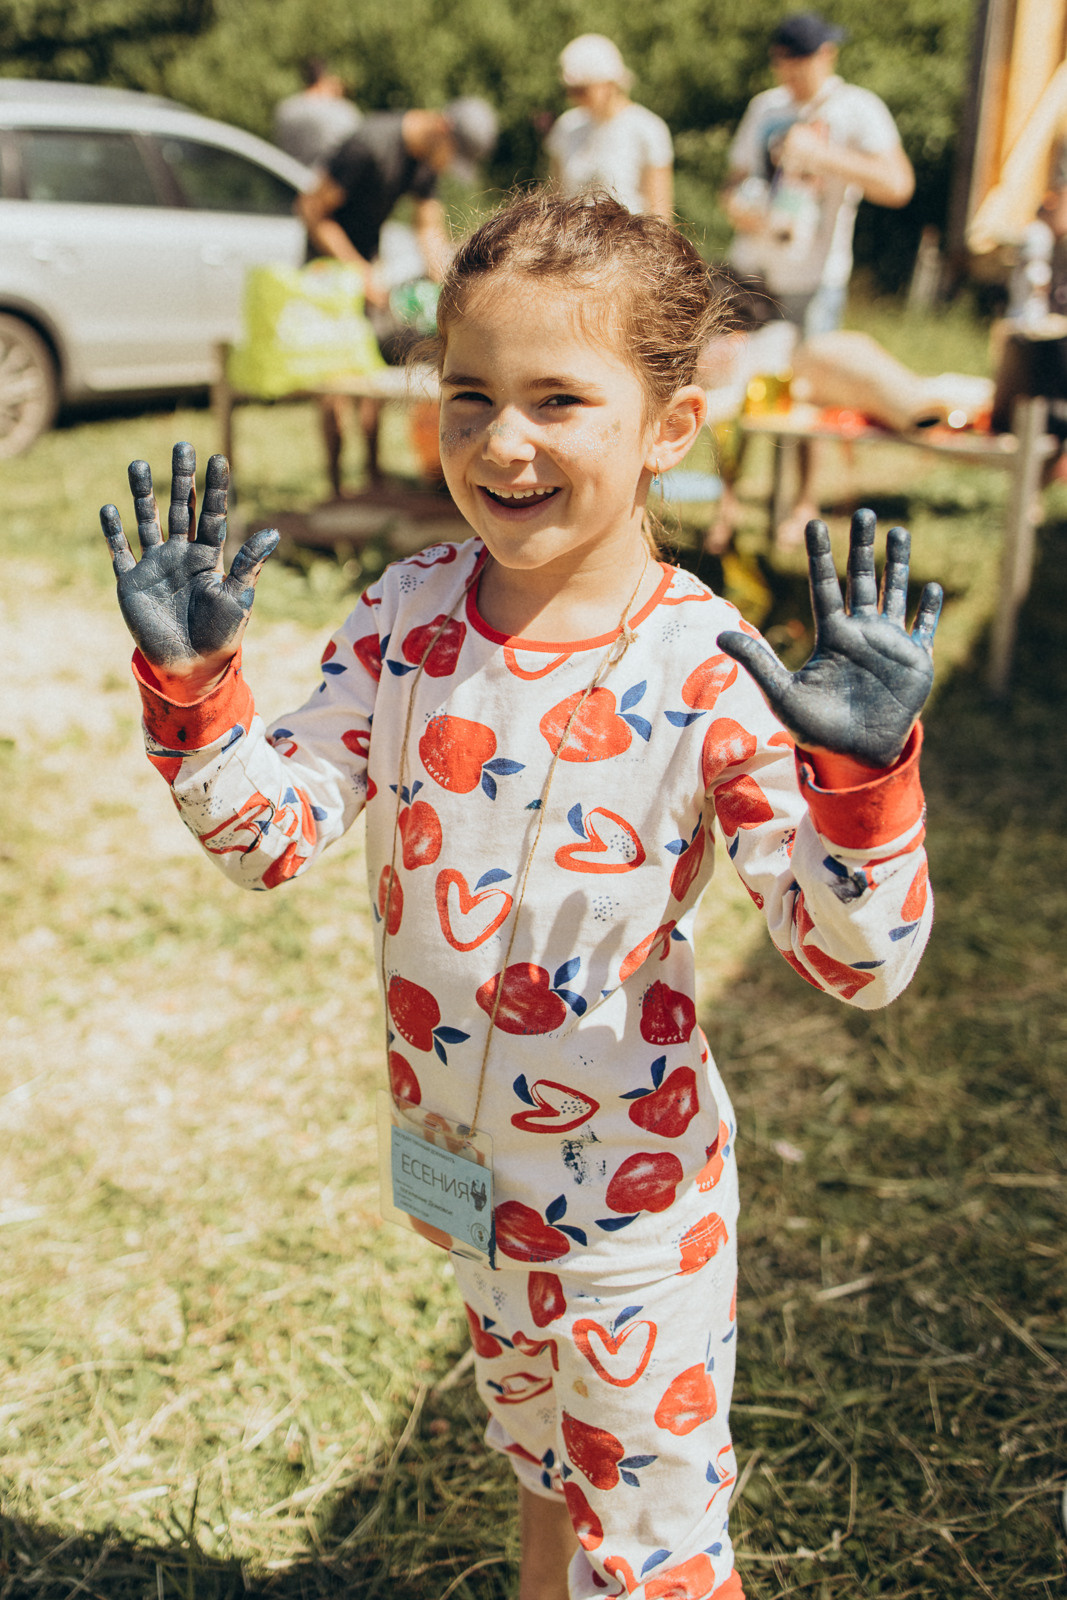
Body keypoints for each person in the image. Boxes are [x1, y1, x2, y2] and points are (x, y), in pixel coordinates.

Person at [101, 193, 942, 1600]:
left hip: (634, 1223)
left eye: (559, 398)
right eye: (470, 395)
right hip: (469, 1184)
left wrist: (860, 786)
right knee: (542, 1471)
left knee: (656, 1560)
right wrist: (195, 696)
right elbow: (271, 835)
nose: (503, 440)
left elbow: (856, 961)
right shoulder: (401, 615)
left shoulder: (704, 668)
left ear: (669, 426)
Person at [721, 11, 915, 547]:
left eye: (823, 53)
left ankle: (802, 504)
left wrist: (825, 155)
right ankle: (730, 501)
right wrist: (740, 206)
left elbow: (898, 185)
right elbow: (736, 179)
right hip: (754, 266)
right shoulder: (766, 108)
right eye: (803, 57)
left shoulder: (857, 108)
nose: (818, 63)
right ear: (783, 61)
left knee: (810, 391)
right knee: (738, 383)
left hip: (816, 274)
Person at [296, 98, 498, 493]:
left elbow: (429, 229)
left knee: (371, 367)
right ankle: (337, 490)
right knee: (334, 377)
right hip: (325, 270)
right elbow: (311, 210)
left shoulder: (424, 160)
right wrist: (357, 269)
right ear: (442, 128)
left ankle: (371, 479)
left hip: (369, 266)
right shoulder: (369, 145)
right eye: (452, 156)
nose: (445, 167)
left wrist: (451, 286)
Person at [546, 34, 673, 218]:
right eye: (571, 90)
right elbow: (554, 197)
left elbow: (661, 211)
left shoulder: (648, 129)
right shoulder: (567, 127)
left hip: (628, 243)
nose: (574, 97)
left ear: (610, 83)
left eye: (582, 90)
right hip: (572, 241)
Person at [271, 56, 362, 168]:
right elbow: (357, 146)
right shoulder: (344, 110)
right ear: (326, 77)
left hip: (291, 176)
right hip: (327, 181)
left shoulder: (285, 109)